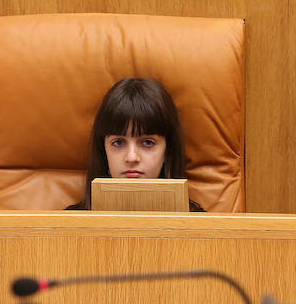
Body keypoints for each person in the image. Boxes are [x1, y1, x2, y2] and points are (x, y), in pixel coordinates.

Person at [67, 77, 205, 211]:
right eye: (118, 142)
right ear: (103, 151)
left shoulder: (203, 227)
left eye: (147, 142)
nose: (131, 157)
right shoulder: (66, 226)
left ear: (167, 151)